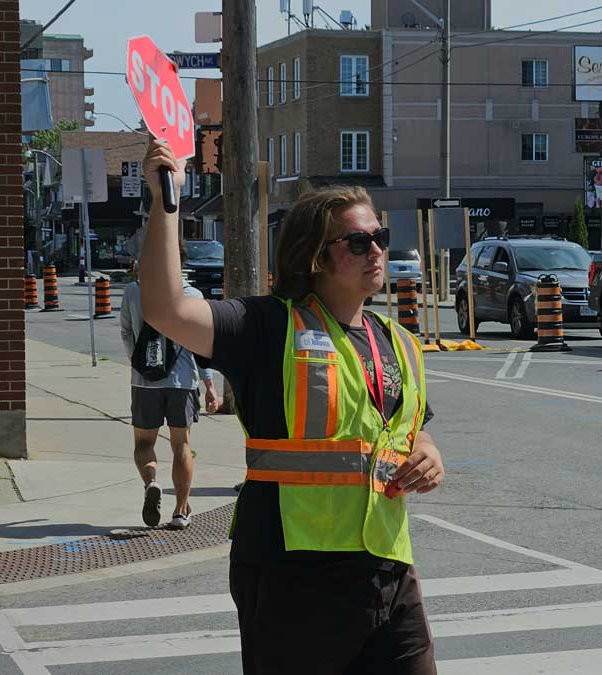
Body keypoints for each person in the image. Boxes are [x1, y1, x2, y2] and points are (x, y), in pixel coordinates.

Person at [138, 137, 445, 674]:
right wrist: (168, 202)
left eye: (380, 236)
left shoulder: (396, 340)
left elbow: (409, 427)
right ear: (315, 257)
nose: (376, 249)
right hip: (291, 574)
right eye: (357, 241)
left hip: (388, 569)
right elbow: (166, 308)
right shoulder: (268, 326)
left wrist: (427, 450)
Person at [119, 239, 219, 530]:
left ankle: (152, 482)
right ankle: (180, 511)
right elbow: (201, 345)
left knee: (143, 443)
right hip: (183, 381)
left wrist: (139, 363)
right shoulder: (192, 295)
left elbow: (127, 333)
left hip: (144, 383)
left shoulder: (134, 292)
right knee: (181, 444)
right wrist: (210, 384)